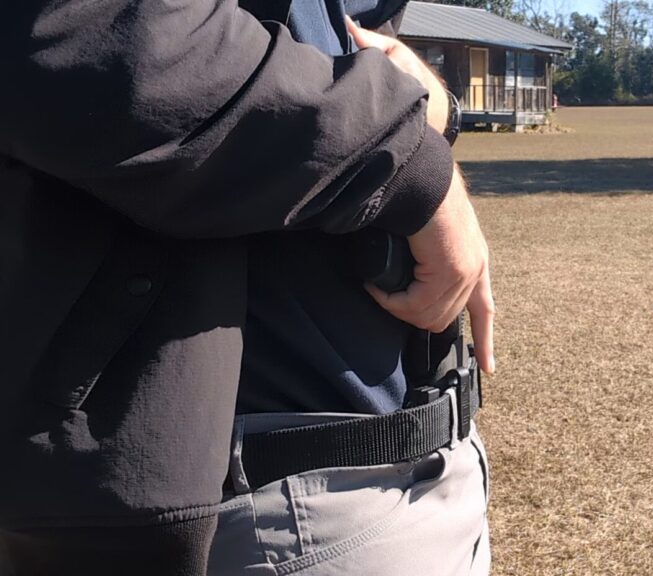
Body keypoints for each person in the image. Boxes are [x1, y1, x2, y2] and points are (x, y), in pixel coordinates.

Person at [0, 0, 494, 574]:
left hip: (417, 460)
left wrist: (428, 105)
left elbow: (344, 25)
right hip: (282, 500)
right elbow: (87, 29)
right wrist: (407, 157)